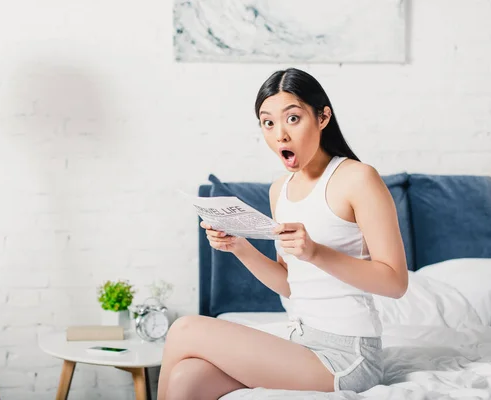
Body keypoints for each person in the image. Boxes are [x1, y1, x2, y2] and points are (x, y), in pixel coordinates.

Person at [157, 68, 408, 400]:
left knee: (185, 329)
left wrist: (316, 252)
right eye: (268, 122)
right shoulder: (281, 190)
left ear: (322, 118)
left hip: (348, 356)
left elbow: (395, 283)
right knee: (186, 379)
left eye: (292, 118)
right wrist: (239, 247)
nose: (280, 135)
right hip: (301, 341)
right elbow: (291, 284)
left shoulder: (358, 179)